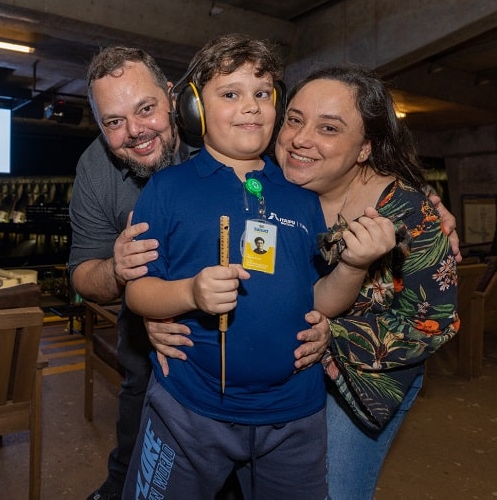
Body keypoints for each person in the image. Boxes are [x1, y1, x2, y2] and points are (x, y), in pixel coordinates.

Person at [122, 34, 394, 499]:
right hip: (188, 407)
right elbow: (137, 292)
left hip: (294, 414)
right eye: (230, 94)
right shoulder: (166, 189)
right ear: (194, 109)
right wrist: (190, 293)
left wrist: (353, 264)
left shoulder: (302, 197)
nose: (251, 107)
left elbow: (319, 301)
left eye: (263, 94)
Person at [68, 46, 331, 500]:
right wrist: (136, 281)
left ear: (178, 101)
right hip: (174, 368)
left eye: (146, 109)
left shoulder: (235, 126)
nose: (134, 131)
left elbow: (334, 170)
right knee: (134, 461)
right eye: (113, 122)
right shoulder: (97, 168)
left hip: (279, 398)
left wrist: (418, 208)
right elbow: (81, 275)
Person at [274, 65, 460, 499]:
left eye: (329, 128)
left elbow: (435, 322)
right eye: (295, 119)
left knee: (332, 491)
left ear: (363, 150)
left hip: (367, 374)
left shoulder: (412, 215)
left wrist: (331, 336)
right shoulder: (271, 185)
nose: (301, 138)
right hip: (288, 364)